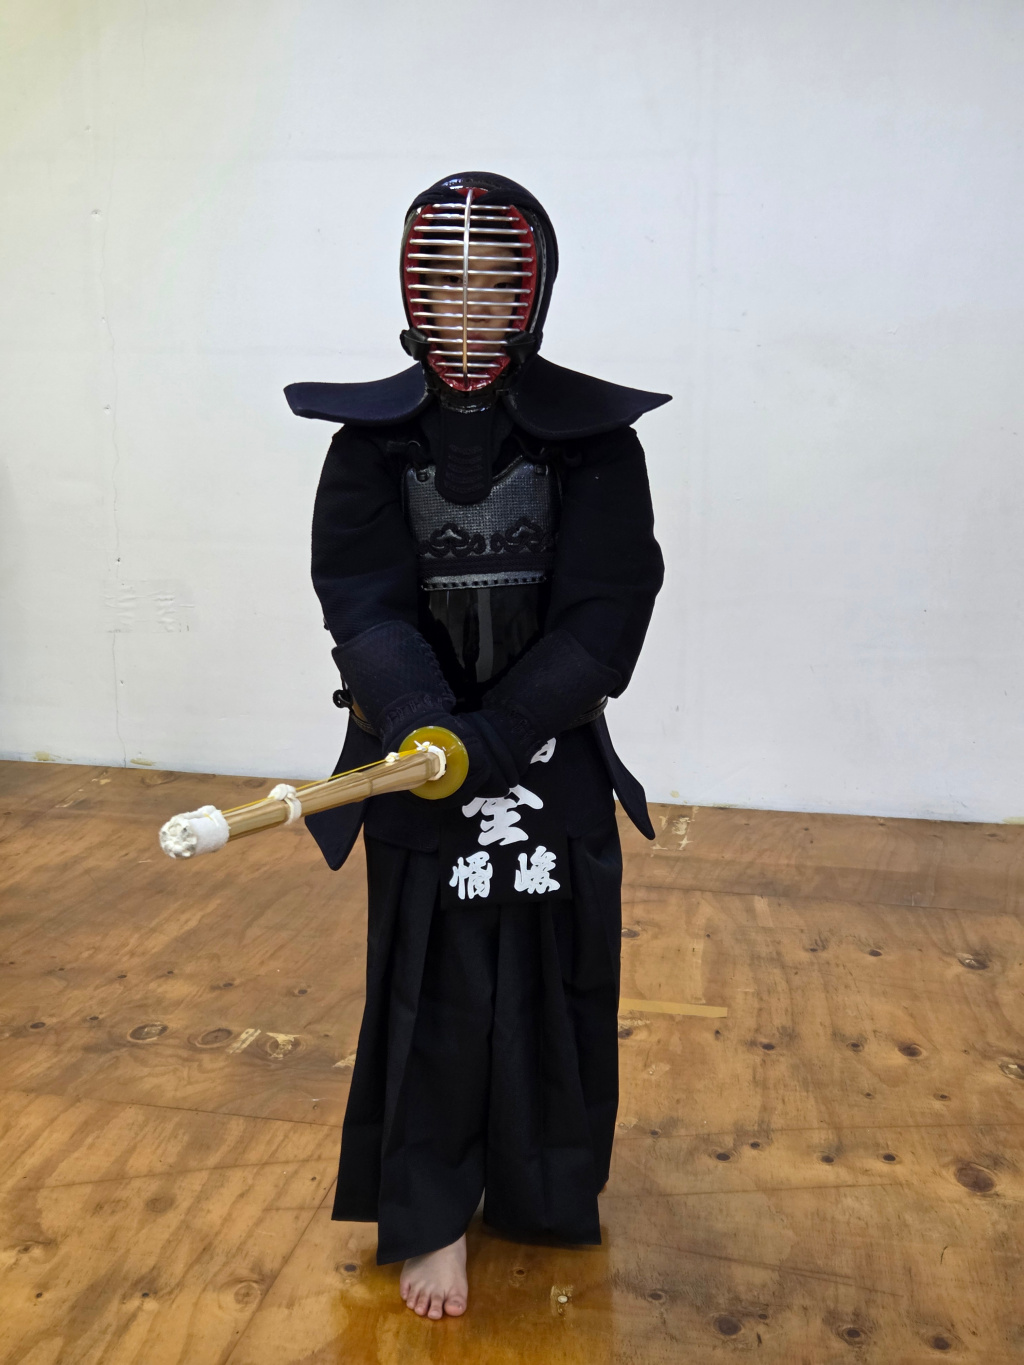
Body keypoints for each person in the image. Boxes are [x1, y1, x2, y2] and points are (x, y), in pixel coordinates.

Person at [284, 171, 669, 1320]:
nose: (466, 306)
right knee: (435, 988)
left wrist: (505, 731)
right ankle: (432, 1213)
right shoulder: (371, 443)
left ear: (528, 293)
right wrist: (425, 728)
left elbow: (607, 607)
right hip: (416, 754)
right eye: (444, 282)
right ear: (414, 291)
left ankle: (541, 1189)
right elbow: (363, 604)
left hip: (549, 748)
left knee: (555, 974)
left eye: (490, 283)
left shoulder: (595, 443)